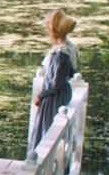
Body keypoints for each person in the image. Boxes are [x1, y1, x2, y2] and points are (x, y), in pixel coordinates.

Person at [28, 9, 79, 154]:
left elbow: (54, 83)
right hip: (63, 91)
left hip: (55, 96)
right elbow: (69, 73)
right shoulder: (69, 47)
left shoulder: (60, 53)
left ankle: (38, 160)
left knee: (45, 132)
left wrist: (41, 95)